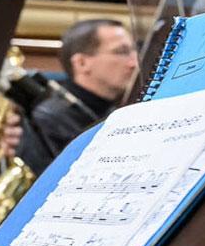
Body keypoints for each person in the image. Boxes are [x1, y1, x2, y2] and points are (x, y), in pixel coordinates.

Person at [17, 18, 139, 172]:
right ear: (81, 63)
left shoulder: (115, 113)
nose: (134, 63)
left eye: (134, 51)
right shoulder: (48, 118)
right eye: (121, 52)